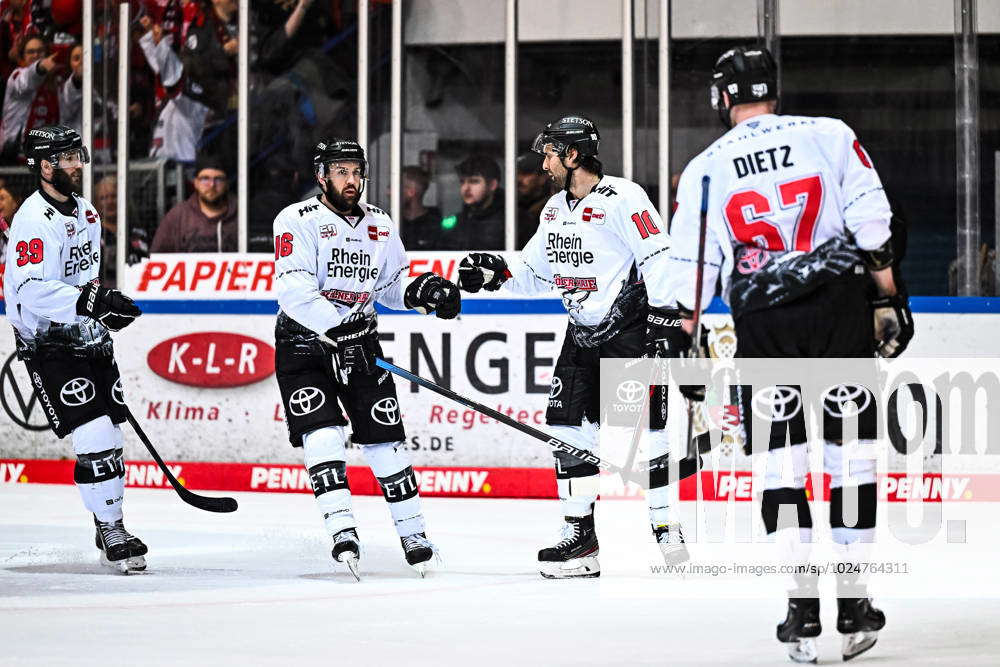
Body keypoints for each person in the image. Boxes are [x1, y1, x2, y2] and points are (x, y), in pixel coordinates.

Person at [666, 46, 911, 662]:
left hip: (764, 323)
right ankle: (855, 602)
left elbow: (691, 272)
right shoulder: (829, 135)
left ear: (723, 97)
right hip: (838, 310)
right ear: (773, 89)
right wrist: (886, 298)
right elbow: (871, 219)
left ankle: (800, 608)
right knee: (850, 456)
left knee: (782, 463)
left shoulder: (704, 167)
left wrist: (686, 340)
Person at [456, 115, 689, 578]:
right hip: (580, 335)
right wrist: (494, 275)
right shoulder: (552, 211)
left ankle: (666, 529)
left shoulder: (624, 198)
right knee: (566, 430)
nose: (543, 162)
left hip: (628, 332)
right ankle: (580, 539)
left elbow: (659, 255)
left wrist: (665, 319)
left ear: (574, 155)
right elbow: (534, 272)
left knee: (647, 433)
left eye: (549, 153)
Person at [272, 138, 462, 578]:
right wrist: (339, 331)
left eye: (356, 171)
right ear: (322, 176)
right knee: (322, 437)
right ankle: (342, 528)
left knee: (386, 442)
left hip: (361, 346)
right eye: (341, 171)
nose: (351, 180)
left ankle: (413, 533)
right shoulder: (296, 219)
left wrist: (426, 293)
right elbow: (295, 291)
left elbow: (391, 286)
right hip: (304, 347)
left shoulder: (379, 223)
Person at [2, 125, 146, 573]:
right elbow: (27, 289)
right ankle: (112, 526)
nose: (77, 165)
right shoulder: (32, 219)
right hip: (48, 342)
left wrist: (103, 308)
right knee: (95, 431)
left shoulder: (86, 213)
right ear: (45, 166)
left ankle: (107, 522)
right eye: (67, 158)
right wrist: (89, 302)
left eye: (77, 156)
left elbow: (85, 280)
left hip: (87, 337)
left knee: (112, 434)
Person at [150, 155, 236, 252]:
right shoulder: (178, 216)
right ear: (196, 183)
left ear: (227, 184)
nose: (211, 185)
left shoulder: (241, 215)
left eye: (218, 179)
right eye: (205, 179)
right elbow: (157, 259)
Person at [0, 35, 62, 160]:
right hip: (16, 158)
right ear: (23, 56)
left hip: (46, 159)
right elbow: (27, 80)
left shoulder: (55, 83)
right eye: (30, 52)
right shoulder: (16, 76)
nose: (35, 55)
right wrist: (40, 67)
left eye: (40, 51)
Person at [441, 153, 504, 250]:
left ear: (492, 185)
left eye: (474, 181)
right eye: (462, 182)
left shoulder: (511, 221)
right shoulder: (457, 222)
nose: (466, 188)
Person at [399, 165, 441, 250]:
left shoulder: (436, 226)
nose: (388, 192)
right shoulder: (388, 222)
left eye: (393, 188)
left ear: (411, 191)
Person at [514, 151, 551, 249]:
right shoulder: (509, 205)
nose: (519, 179)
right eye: (517, 174)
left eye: (525, 174)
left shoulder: (552, 208)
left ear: (543, 177)